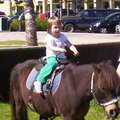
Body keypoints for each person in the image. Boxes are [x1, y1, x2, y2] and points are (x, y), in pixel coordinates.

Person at [34, 16, 79, 93]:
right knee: (51, 65)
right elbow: (50, 47)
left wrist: (74, 50)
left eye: (59, 27)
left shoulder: (62, 36)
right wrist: (59, 49)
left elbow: (69, 44)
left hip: (62, 58)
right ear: (49, 28)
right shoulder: (49, 38)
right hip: (52, 56)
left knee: (72, 67)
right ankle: (39, 81)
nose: (57, 29)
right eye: (55, 27)